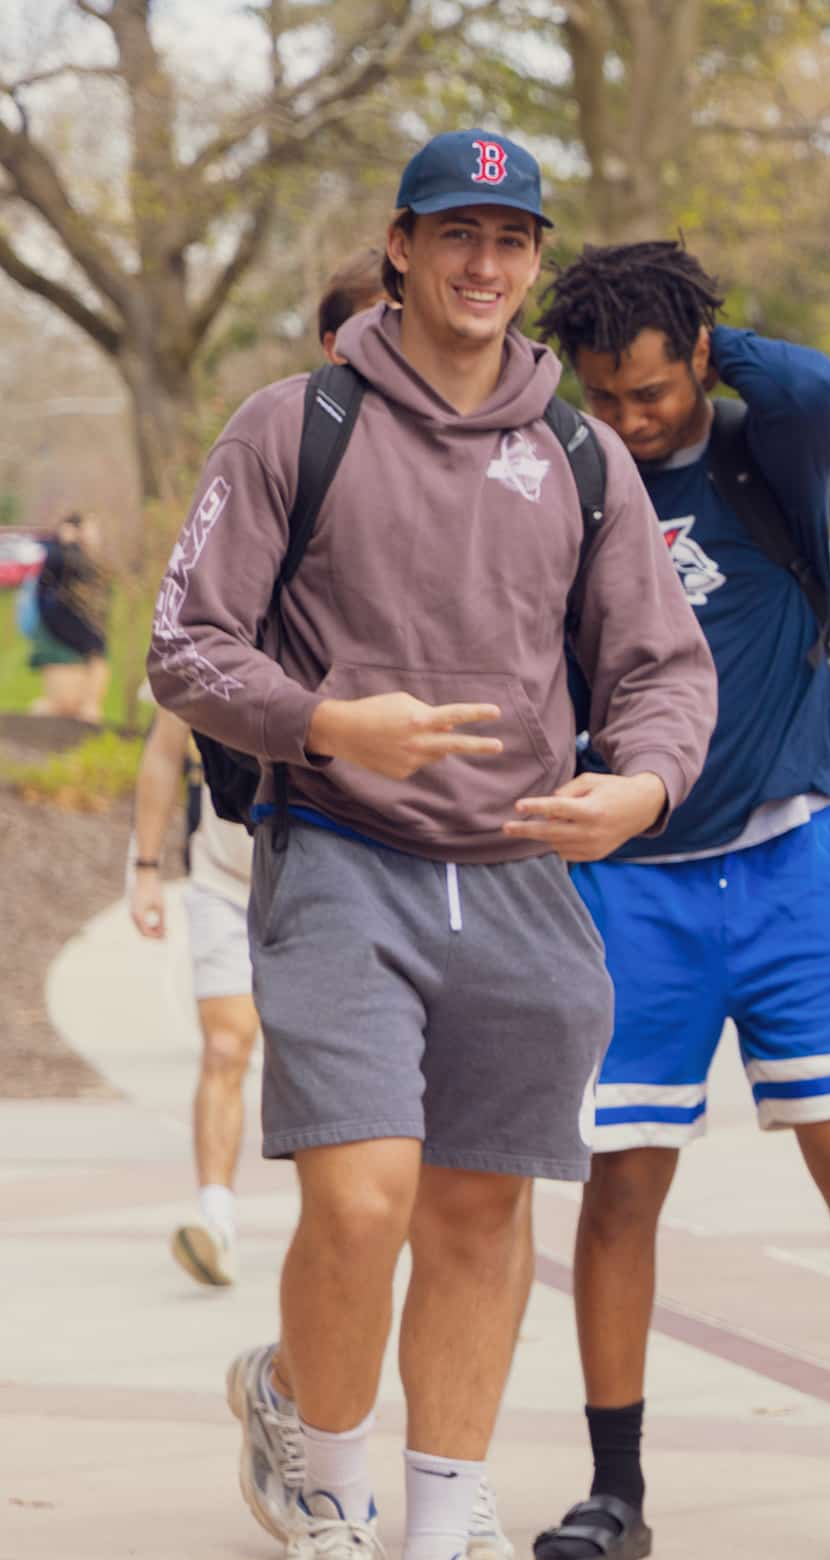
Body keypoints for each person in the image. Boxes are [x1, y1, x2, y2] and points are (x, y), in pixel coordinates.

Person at [150, 129, 714, 1560]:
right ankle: (328, 1475)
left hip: (524, 869)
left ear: (534, 263)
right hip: (341, 853)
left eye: (512, 239)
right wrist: (333, 725)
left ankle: (445, 1507)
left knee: (479, 1208)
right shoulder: (297, 425)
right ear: (399, 246)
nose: (484, 262)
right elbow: (187, 648)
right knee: (361, 1195)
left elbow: (662, 667)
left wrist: (640, 790)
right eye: (456, 233)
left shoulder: (581, 452)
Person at [524, 239, 830, 1560]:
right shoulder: (567, 473)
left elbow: (816, 380)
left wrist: (712, 345)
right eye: (603, 396)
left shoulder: (772, 454)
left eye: (651, 390)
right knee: (621, 1187)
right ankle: (617, 1490)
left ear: (701, 364)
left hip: (789, 867)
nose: (629, 419)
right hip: (628, 890)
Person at [123, 250, 392, 1290]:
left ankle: (333, 1238)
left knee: (333, 1075)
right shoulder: (274, 466)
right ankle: (217, 1220)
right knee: (230, 1043)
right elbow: (165, 736)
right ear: (334, 344)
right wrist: (148, 868)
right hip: (231, 855)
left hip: (344, 844)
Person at [25, 511, 110, 722]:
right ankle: (20, 731)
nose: (93, 536)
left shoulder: (94, 565)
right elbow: (48, 585)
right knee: (64, 705)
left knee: (87, 709)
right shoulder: (60, 554)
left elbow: (97, 604)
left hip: (88, 644)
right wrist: (64, 544)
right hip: (61, 638)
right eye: (89, 529)